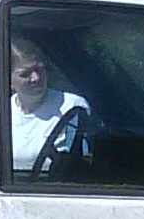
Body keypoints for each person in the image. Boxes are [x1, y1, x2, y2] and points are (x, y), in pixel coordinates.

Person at [7, 38, 91, 173]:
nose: (35, 78)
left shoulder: (72, 107)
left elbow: (83, 160)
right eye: (25, 74)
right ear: (9, 79)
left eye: (39, 69)